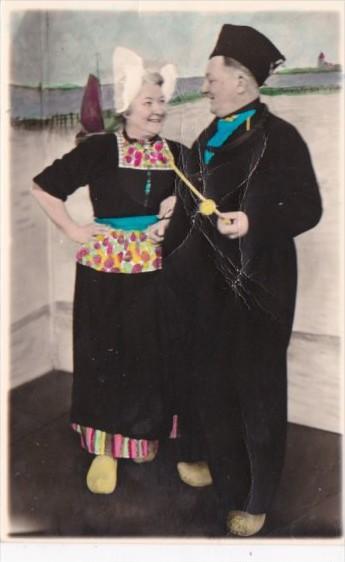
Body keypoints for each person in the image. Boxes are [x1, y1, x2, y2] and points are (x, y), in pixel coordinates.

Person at [163, 24, 322, 536]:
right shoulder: (205, 138)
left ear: (242, 80)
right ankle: (220, 466)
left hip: (260, 286)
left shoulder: (281, 138)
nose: (204, 86)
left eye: (211, 78)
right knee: (210, 382)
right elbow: (189, 216)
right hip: (206, 288)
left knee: (256, 389)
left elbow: (308, 209)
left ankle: (256, 498)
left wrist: (254, 222)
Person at [32, 47, 184, 495]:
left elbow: (201, 197)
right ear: (126, 107)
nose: (157, 110)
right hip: (106, 269)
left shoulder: (177, 153)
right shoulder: (100, 148)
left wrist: (176, 211)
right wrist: (75, 230)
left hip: (159, 268)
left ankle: (146, 437)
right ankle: (105, 449)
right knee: (107, 354)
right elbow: (44, 187)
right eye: (148, 102)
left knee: (153, 354)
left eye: (161, 101)